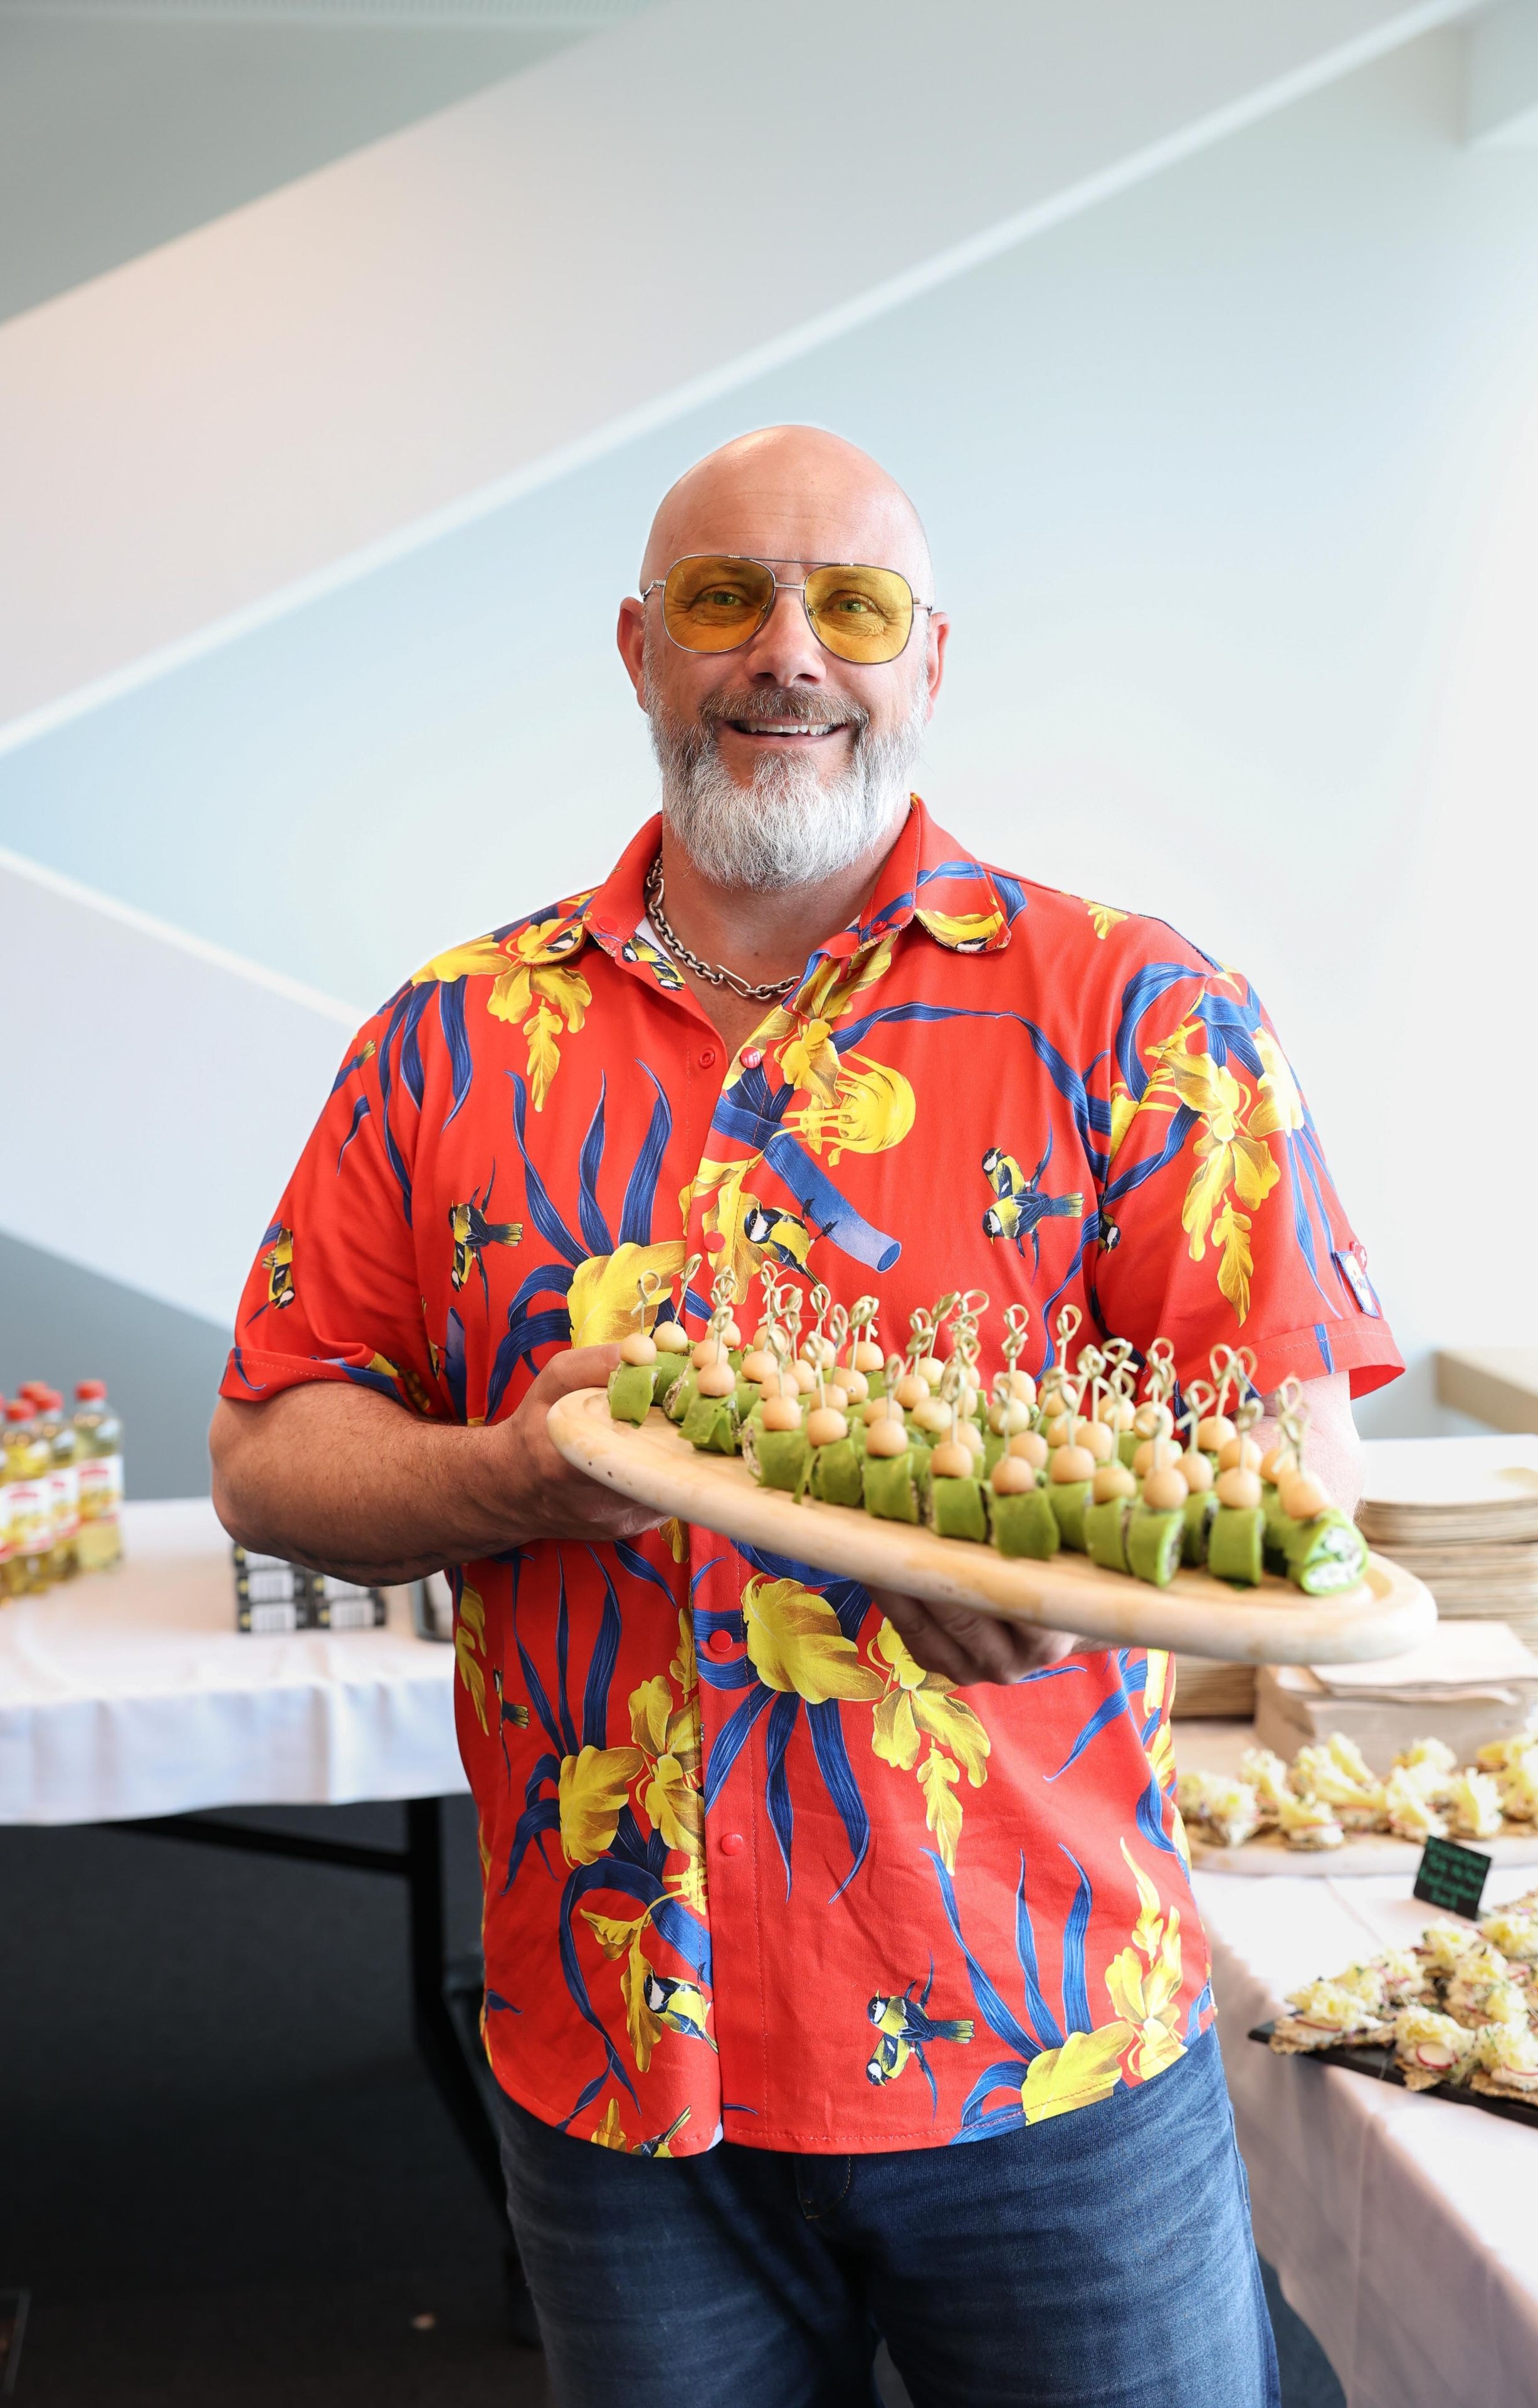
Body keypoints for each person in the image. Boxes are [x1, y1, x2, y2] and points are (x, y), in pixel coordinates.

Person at [212, 425, 1401, 2407]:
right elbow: (269, 1449)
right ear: (637, 650)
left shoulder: (1133, 1012)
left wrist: (1083, 1588)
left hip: (1040, 2035)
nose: (789, 654)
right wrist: (510, 1469)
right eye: (722, 601)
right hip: (616, 2055)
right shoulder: (450, 1037)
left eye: (849, 606)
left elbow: (1297, 1477)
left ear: (931, 659)